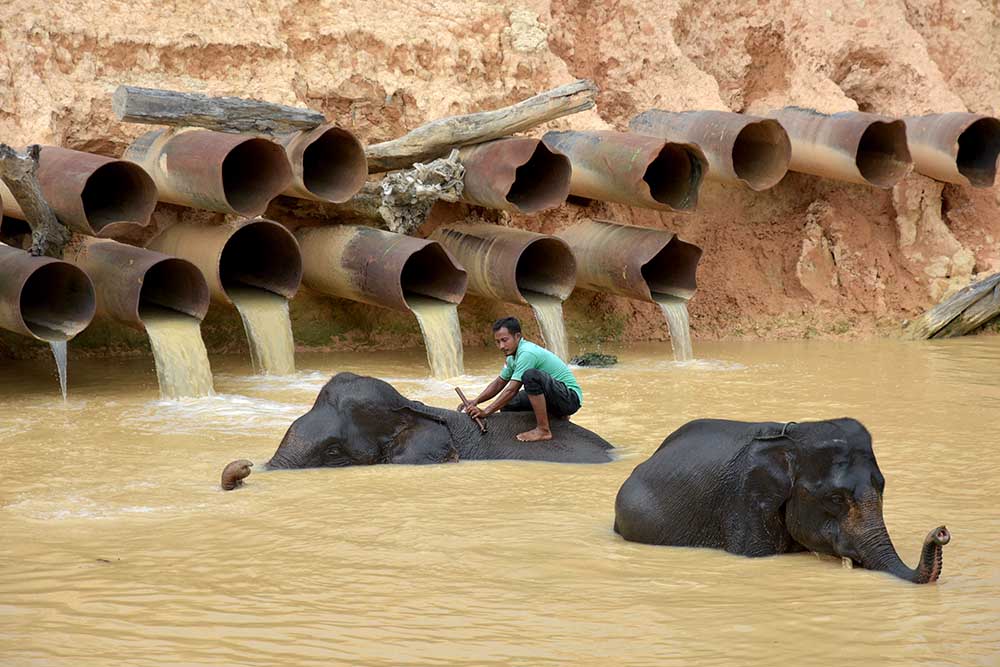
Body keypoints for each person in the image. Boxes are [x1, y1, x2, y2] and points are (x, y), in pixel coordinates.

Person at [460, 317, 583, 442]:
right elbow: (499, 383)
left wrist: (486, 411)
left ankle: (543, 430)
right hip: (551, 397)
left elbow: (512, 389)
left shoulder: (527, 353)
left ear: (517, 336)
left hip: (569, 399)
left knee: (530, 376)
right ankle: (554, 417)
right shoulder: (511, 357)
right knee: (507, 403)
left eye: (504, 340)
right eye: (497, 342)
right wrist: (476, 401)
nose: (501, 346)